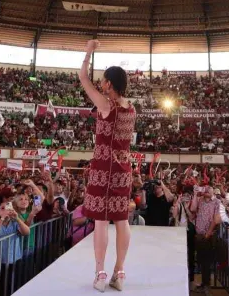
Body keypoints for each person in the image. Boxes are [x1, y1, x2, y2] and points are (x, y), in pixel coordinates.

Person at [79, 40, 136, 292]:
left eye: (103, 81)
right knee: (122, 220)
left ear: (109, 84)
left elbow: (82, 77)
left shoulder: (105, 105)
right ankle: (119, 272)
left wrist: (89, 51)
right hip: (124, 169)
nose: (100, 84)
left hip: (104, 167)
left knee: (101, 222)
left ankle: (100, 274)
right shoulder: (131, 108)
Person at [189, 186, 221, 294]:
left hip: (210, 236)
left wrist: (208, 233)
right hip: (199, 235)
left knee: (207, 261)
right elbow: (192, 210)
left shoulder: (217, 202)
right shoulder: (199, 200)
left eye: (209, 189)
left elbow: (216, 219)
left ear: (213, 191)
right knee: (201, 261)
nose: (207, 190)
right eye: (205, 189)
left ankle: (207, 285)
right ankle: (203, 284)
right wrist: (194, 194)